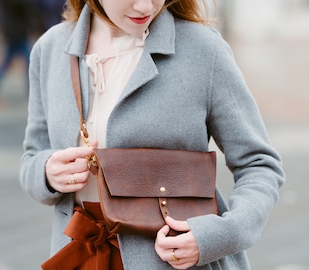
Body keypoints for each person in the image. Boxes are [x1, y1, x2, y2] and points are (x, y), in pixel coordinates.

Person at [20, 0, 285, 269]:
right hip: (78, 256)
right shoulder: (50, 49)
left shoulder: (203, 50)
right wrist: (47, 172)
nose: (146, 6)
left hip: (173, 262)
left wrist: (215, 236)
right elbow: (32, 155)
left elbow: (259, 164)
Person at [0, 0, 34, 105]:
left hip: (16, 30)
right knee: (28, 61)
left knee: (10, 61)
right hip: (15, 31)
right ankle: (33, 92)